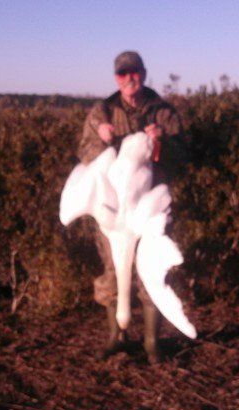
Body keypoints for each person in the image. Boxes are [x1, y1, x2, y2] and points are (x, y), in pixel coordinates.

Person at [78, 51, 186, 363]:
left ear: (144, 73)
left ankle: (152, 344)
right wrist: (100, 141)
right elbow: (84, 153)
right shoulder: (102, 111)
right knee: (113, 272)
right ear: (116, 78)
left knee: (151, 270)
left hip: (151, 209)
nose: (129, 79)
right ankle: (117, 339)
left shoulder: (163, 112)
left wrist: (162, 142)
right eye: (122, 74)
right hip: (114, 211)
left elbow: (184, 155)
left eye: (134, 72)